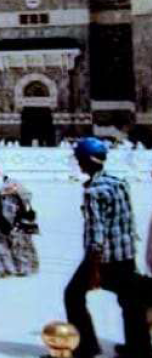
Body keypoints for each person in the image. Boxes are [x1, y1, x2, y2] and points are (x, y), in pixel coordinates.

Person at [64, 138, 151, 358]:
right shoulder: (119, 183)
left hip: (103, 258)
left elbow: (97, 232)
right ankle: (138, 349)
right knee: (131, 300)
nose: (78, 163)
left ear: (87, 160)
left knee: (73, 295)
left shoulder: (95, 190)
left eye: (80, 159)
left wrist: (93, 268)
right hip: (125, 254)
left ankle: (86, 347)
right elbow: (126, 221)